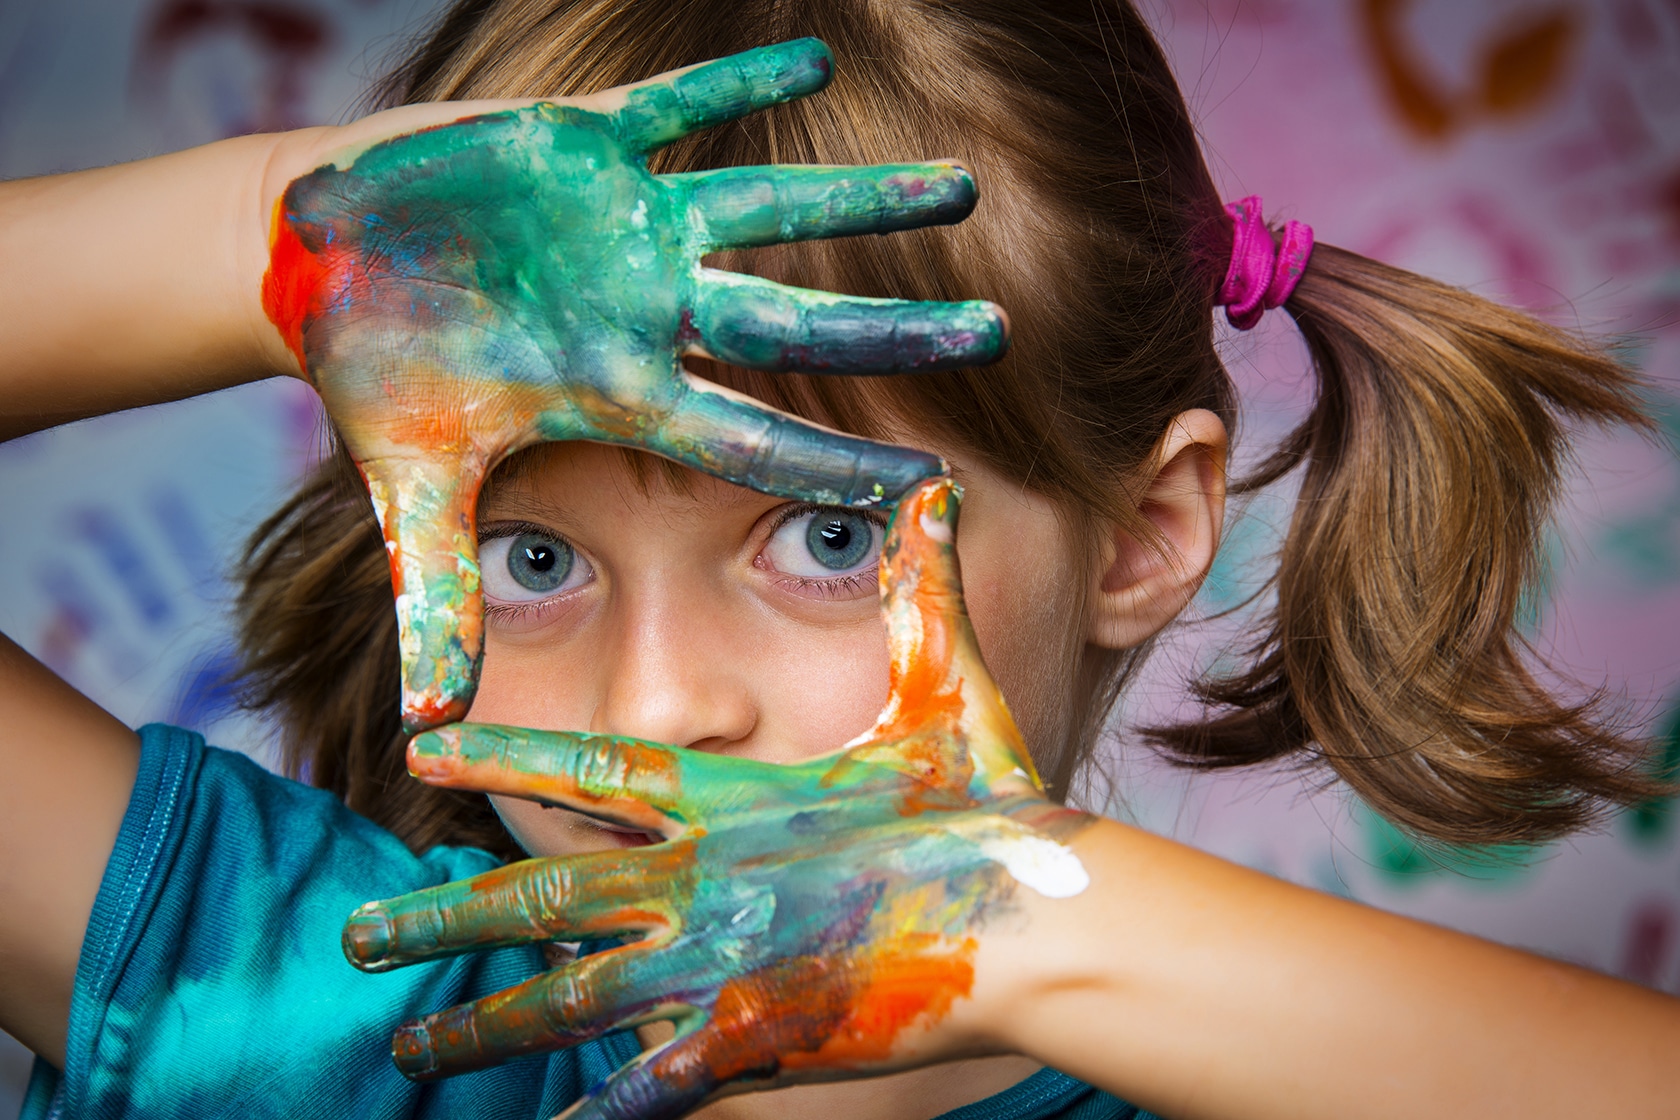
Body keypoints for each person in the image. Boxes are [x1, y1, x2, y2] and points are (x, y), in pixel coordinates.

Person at [2, 3, 1678, 1120]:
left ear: (1151, 534)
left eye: (823, 533)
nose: (660, 702)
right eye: (529, 555)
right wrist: (277, 244)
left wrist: (1025, 923)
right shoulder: (285, 1010)